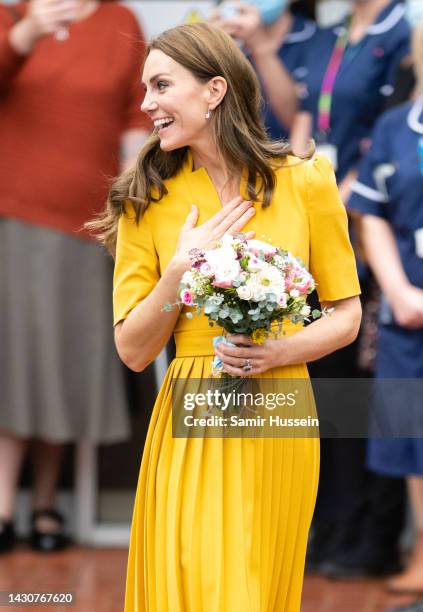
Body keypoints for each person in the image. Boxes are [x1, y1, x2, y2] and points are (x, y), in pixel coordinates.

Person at [91, 21, 361, 611]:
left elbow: (346, 316)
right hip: (195, 408)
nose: (146, 104)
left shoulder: (306, 183)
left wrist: (280, 353)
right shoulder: (146, 198)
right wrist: (176, 275)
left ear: (214, 90)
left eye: (161, 85)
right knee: (209, 588)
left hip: (283, 410)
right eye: (145, 89)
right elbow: (133, 350)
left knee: (261, 586)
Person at [0, 0, 150, 552]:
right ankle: (2, 507)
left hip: (91, 228)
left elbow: (137, 117)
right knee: (13, 362)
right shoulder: (10, 18)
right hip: (13, 220)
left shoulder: (123, 22)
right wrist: (26, 36)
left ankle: (45, 504)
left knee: (63, 367)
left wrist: (135, 194)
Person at [289, 0, 411, 578]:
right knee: (331, 390)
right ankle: (333, 526)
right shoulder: (334, 34)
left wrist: (336, 203)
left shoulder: (400, 31)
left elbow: (380, 145)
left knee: (376, 389)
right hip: (323, 230)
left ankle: (374, 534)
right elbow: (309, 124)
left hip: (365, 234)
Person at [349, 16, 423, 603]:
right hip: (407, 315)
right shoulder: (396, 127)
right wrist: (398, 290)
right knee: (410, 437)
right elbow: (370, 213)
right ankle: (422, 547)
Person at [210, 0, 317, 139]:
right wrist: (210, 45)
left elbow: (298, 122)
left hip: (299, 156)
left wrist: (259, 45)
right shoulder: (231, 47)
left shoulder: (325, 40)